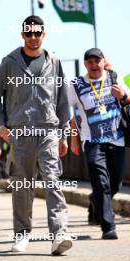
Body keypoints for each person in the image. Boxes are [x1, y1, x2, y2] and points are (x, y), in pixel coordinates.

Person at [0, 16, 72, 255]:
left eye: (37, 33)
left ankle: (59, 235)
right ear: (22, 35)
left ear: (44, 34)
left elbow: (64, 100)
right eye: (29, 33)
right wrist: (1, 126)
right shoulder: (10, 63)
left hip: (48, 132)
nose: (33, 37)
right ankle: (22, 235)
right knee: (23, 186)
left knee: (53, 182)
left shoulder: (53, 61)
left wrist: (63, 135)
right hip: (19, 134)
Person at [69, 48, 130, 239]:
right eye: (89, 62)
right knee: (101, 183)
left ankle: (95, 201)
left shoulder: (114, 77)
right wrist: (72, 138)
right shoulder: (76, 84)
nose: (94, 65)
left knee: (115, 184)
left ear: (104, 62)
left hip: (116, 138)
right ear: (85, 64)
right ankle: (108, 227)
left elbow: (128, 101)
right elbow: (68, 113)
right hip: (92, 140)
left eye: (97, 61)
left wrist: (123, 97)